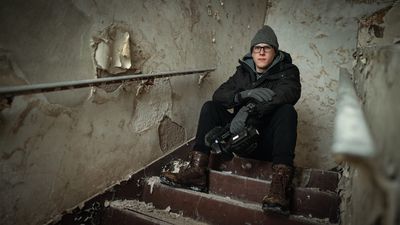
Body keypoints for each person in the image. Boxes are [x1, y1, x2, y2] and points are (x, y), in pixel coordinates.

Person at [161, 25, 301, 215]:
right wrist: (242, 96)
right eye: (256, 48)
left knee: (287, 112)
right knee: (210, 107)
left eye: (266, 48)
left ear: (275, 51)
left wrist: (249, 110)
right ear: (251, 51)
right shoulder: (242, 72)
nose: (261, 52)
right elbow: (220, 94)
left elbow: (288, 94)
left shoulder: (288, 71)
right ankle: (196, 172)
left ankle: (280, 187)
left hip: (265, 142)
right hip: (239, 138)